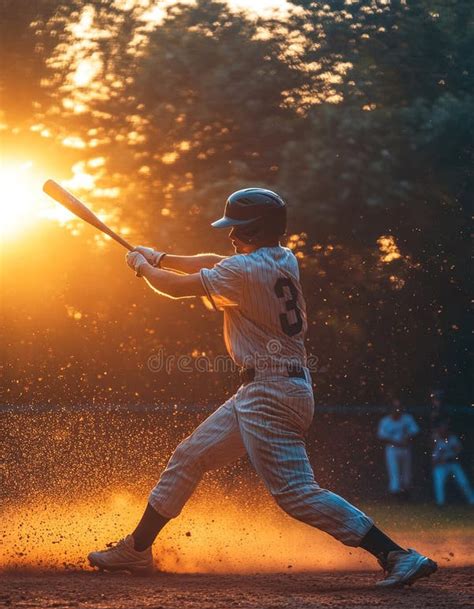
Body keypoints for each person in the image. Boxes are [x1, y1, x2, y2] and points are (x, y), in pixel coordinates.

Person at [88, 188, 437, 588]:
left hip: (270, 394)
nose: (231, 235)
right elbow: (213, 263)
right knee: (189, 456)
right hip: (266, 389)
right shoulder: (281, 259)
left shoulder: (242, 273)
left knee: (296, 494)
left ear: (255, 228)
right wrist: (161, 256)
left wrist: (142, 267)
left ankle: (395, 555)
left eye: (237, 228)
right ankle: (137, 548)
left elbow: (174, 287)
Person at [377, 399, 419, 497]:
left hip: (405, 448)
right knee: (394, 473)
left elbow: (415, 431)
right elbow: (381, 436)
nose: (397, 410)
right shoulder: (385, 421)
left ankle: (405, 496)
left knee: (406, 474)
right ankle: (395, 496)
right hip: (392, 449)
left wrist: (407, 438)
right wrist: (396, 442)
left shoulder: (407, 418)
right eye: (395, 407)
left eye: (399, 407)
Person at [432, 421, 474, 506]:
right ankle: (440, 503)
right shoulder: (435, 439)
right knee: (439, 483)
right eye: (442, 429)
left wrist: (448, 456)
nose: (443, 430)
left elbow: (458, 450)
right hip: (440, 464)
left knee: (463, 482)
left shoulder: (452, 438)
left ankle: (472, 501)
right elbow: (433, 456)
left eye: (445, 429)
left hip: (453, 463)